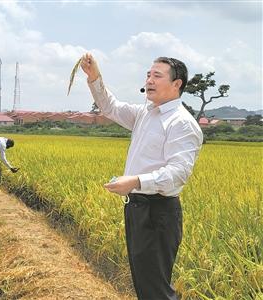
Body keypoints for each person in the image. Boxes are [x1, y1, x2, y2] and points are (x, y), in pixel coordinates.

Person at [81, 53, 203, 300]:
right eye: (148, 75)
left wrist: (135, 181)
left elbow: (177, 174)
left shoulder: (181, 123)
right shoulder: (146, 113)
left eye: (157, 75)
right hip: (137, 208)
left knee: (156, 290)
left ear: (177, 84)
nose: (149, 79)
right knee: (145, 285)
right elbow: (111, 107)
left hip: (158, 212)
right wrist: (95, 78)